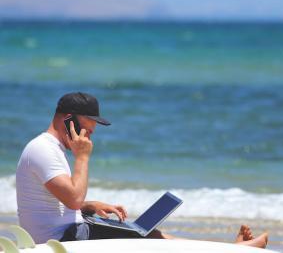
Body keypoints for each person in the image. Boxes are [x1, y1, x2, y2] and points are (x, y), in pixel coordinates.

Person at [16, 92, 268, 248]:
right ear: (68, 119)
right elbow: (72, 199)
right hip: (64, 240)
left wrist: (91, 206)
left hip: (71, 229)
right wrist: (82, 157)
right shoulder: (44, 149)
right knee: (152, 237)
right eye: (86, 130)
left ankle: (229, 249)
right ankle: (233, 250)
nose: (88, 138)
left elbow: (55, 203)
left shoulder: (50, 148)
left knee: (147, 232)